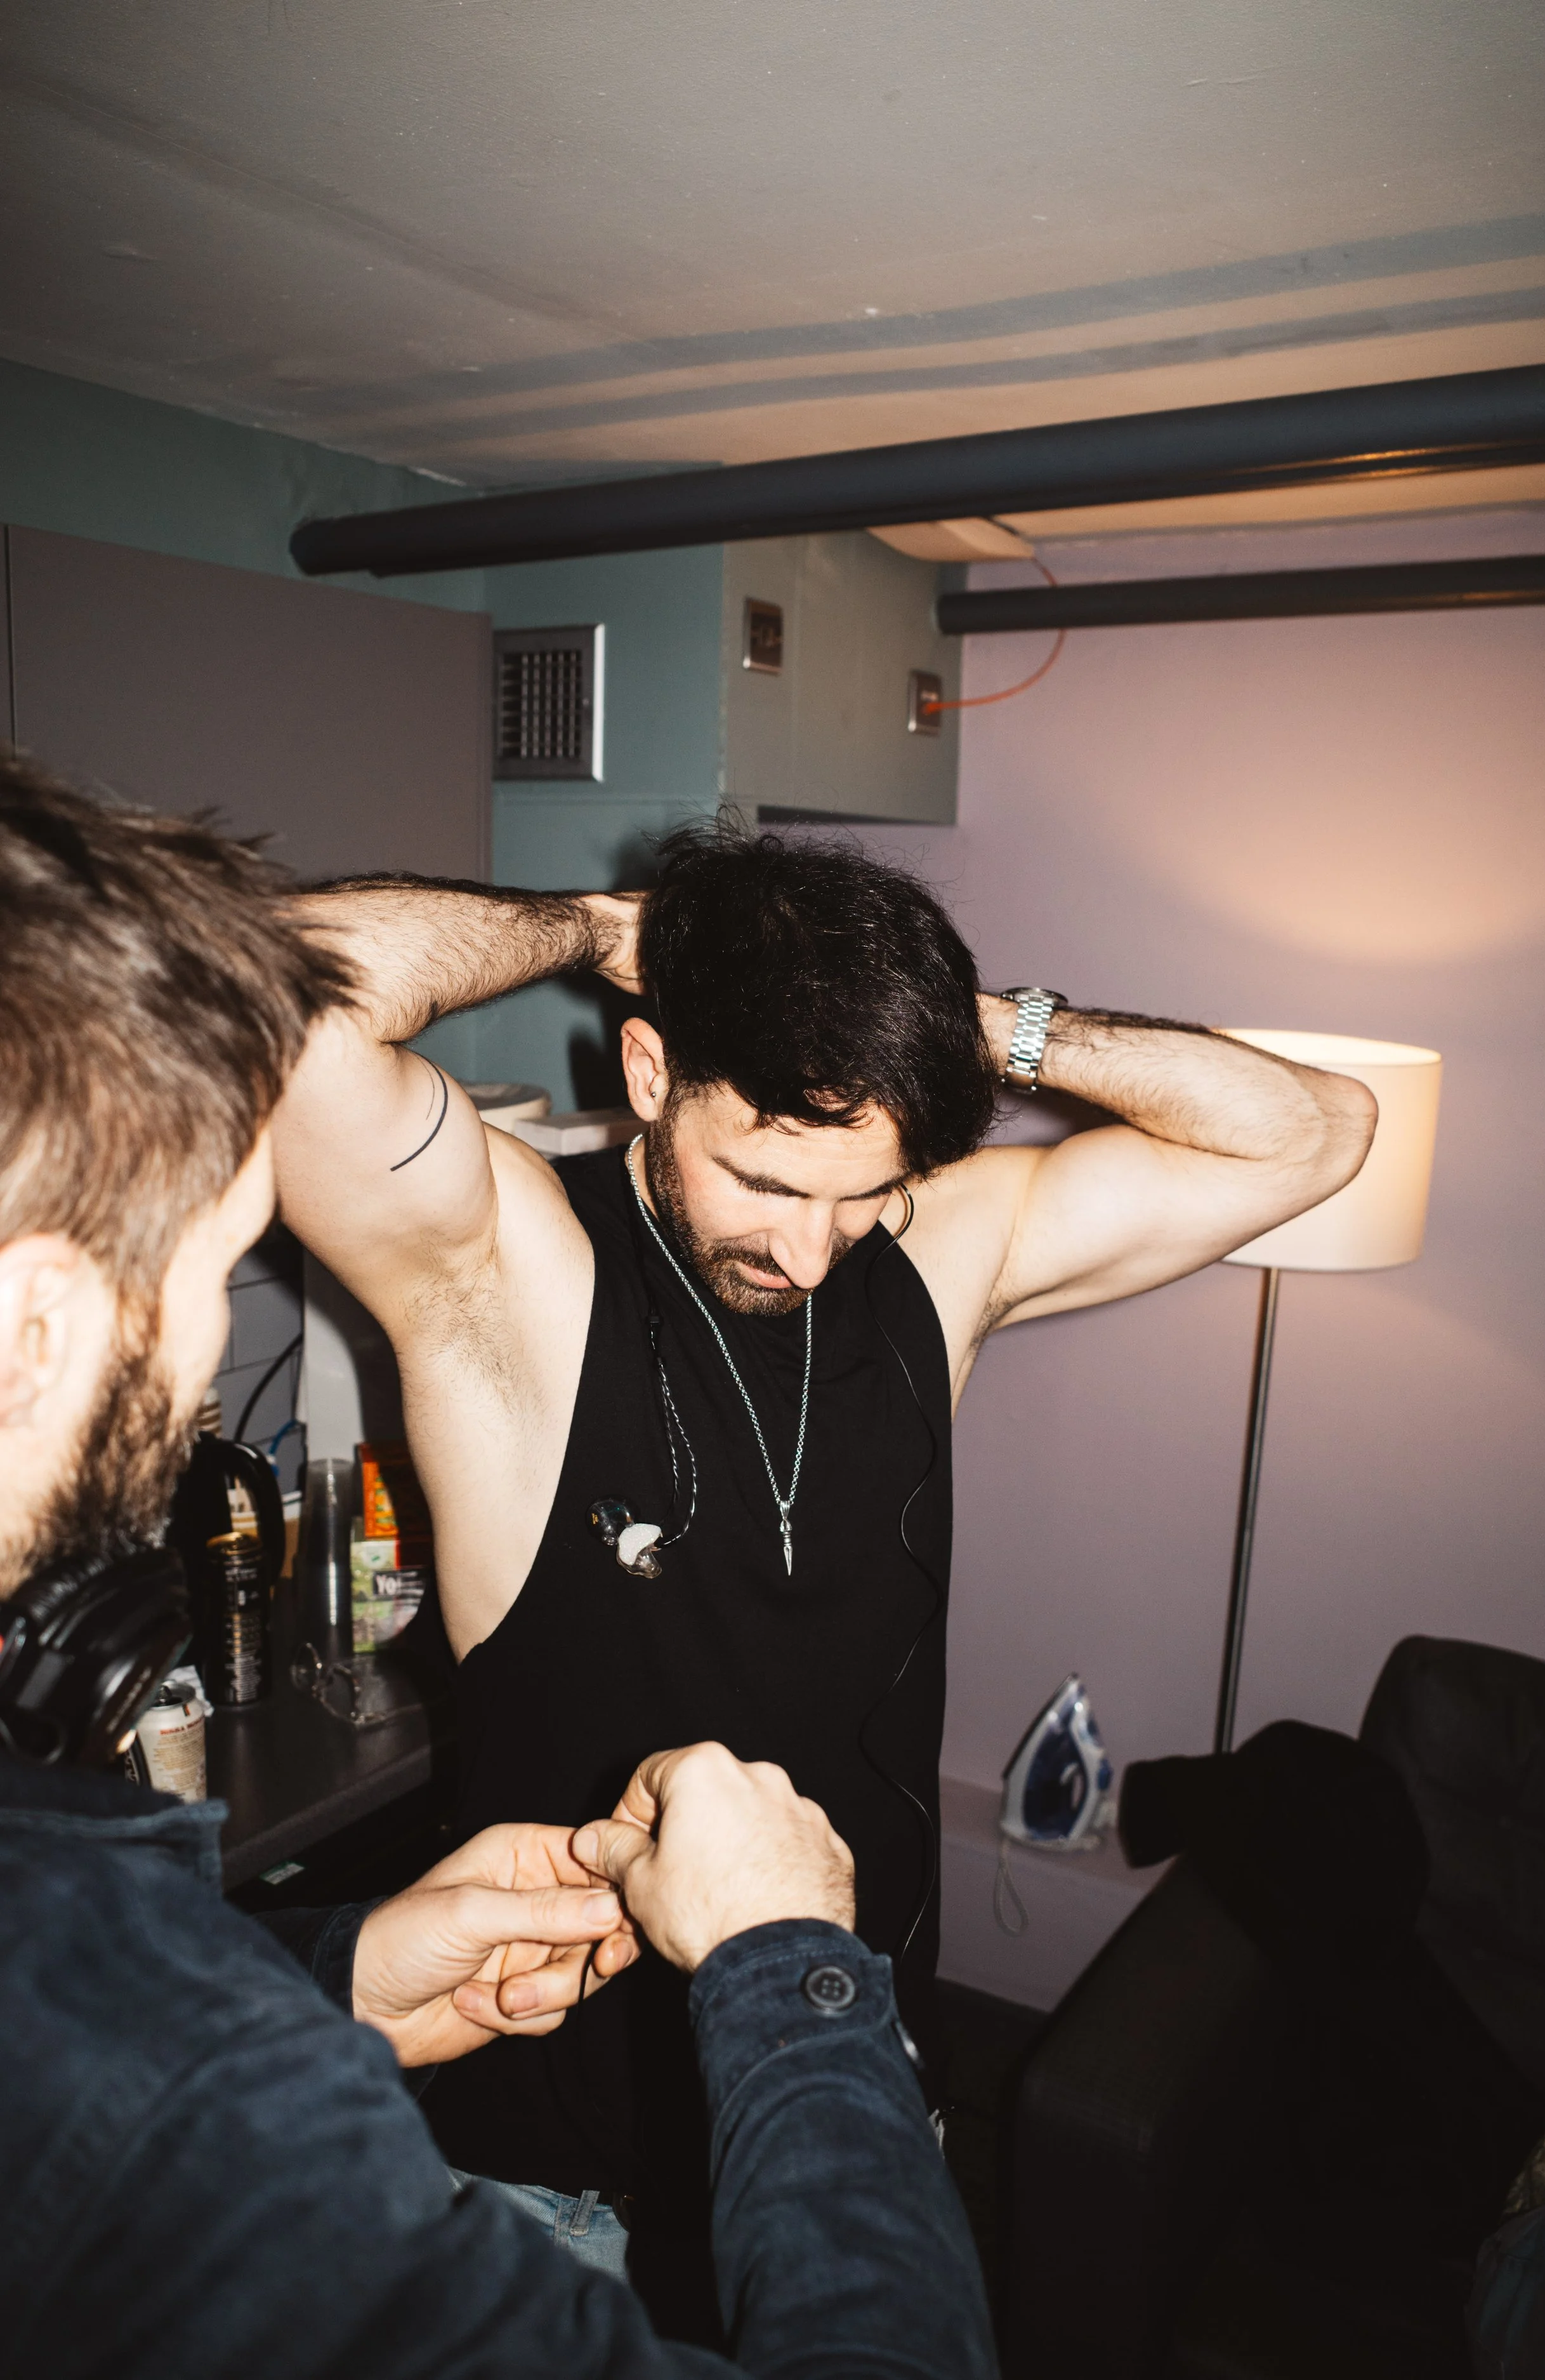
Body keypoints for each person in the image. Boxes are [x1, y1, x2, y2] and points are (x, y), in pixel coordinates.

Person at [272, 823, 1377, 2319]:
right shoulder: (506, 1265)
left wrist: (942, 1029)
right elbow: (272, 991)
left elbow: (1313, 1131)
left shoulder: (925, 1255)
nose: (812, 1251)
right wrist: (602, 927)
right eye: (767, 1181)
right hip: (566, 2191)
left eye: (864, 1191)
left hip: (849, 2095)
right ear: (652, 1073)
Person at [0, 755, 994, 2380]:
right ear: (37, 1330)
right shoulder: (194, 2104)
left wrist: (342, 1972)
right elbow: (288, 995)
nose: (201, 1366)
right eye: (213, 1260)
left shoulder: (84, 1953)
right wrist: (788, 1973)